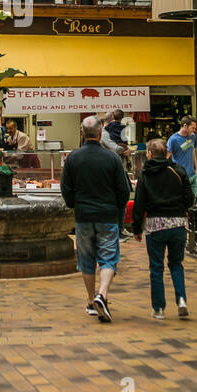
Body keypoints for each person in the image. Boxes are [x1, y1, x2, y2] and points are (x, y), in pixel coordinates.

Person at [60, 115, 129, 322]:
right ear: (100, 133)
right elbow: (124, 190)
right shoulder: (112, 159)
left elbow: (66, 189)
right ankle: (103, 294)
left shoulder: (73, 158)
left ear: (82, 133)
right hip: (107, 215)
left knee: (86, 259)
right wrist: (117, 209)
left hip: (83, 216)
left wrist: (74, 204)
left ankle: (91, 300)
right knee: (108, 258)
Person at [131, 137, 194, 320]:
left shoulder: (144, 174)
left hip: (155, 224)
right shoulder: (178, 170)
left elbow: (139, 203)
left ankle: (158, 308)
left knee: (156, 267)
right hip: (178, 223)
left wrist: (136, 227)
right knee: (176, 264)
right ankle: (181, 299)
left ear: (149, 154)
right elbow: (189, 198)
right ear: (166, 153)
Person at [167, 116, 197, 188]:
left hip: (193, 175)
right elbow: (166, 157)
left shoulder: (193, 136)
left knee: (194, 198)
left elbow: (193, 151)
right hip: (180, 176)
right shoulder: (173, 139)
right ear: (185, 126)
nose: (194, 130)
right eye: (192, 128)